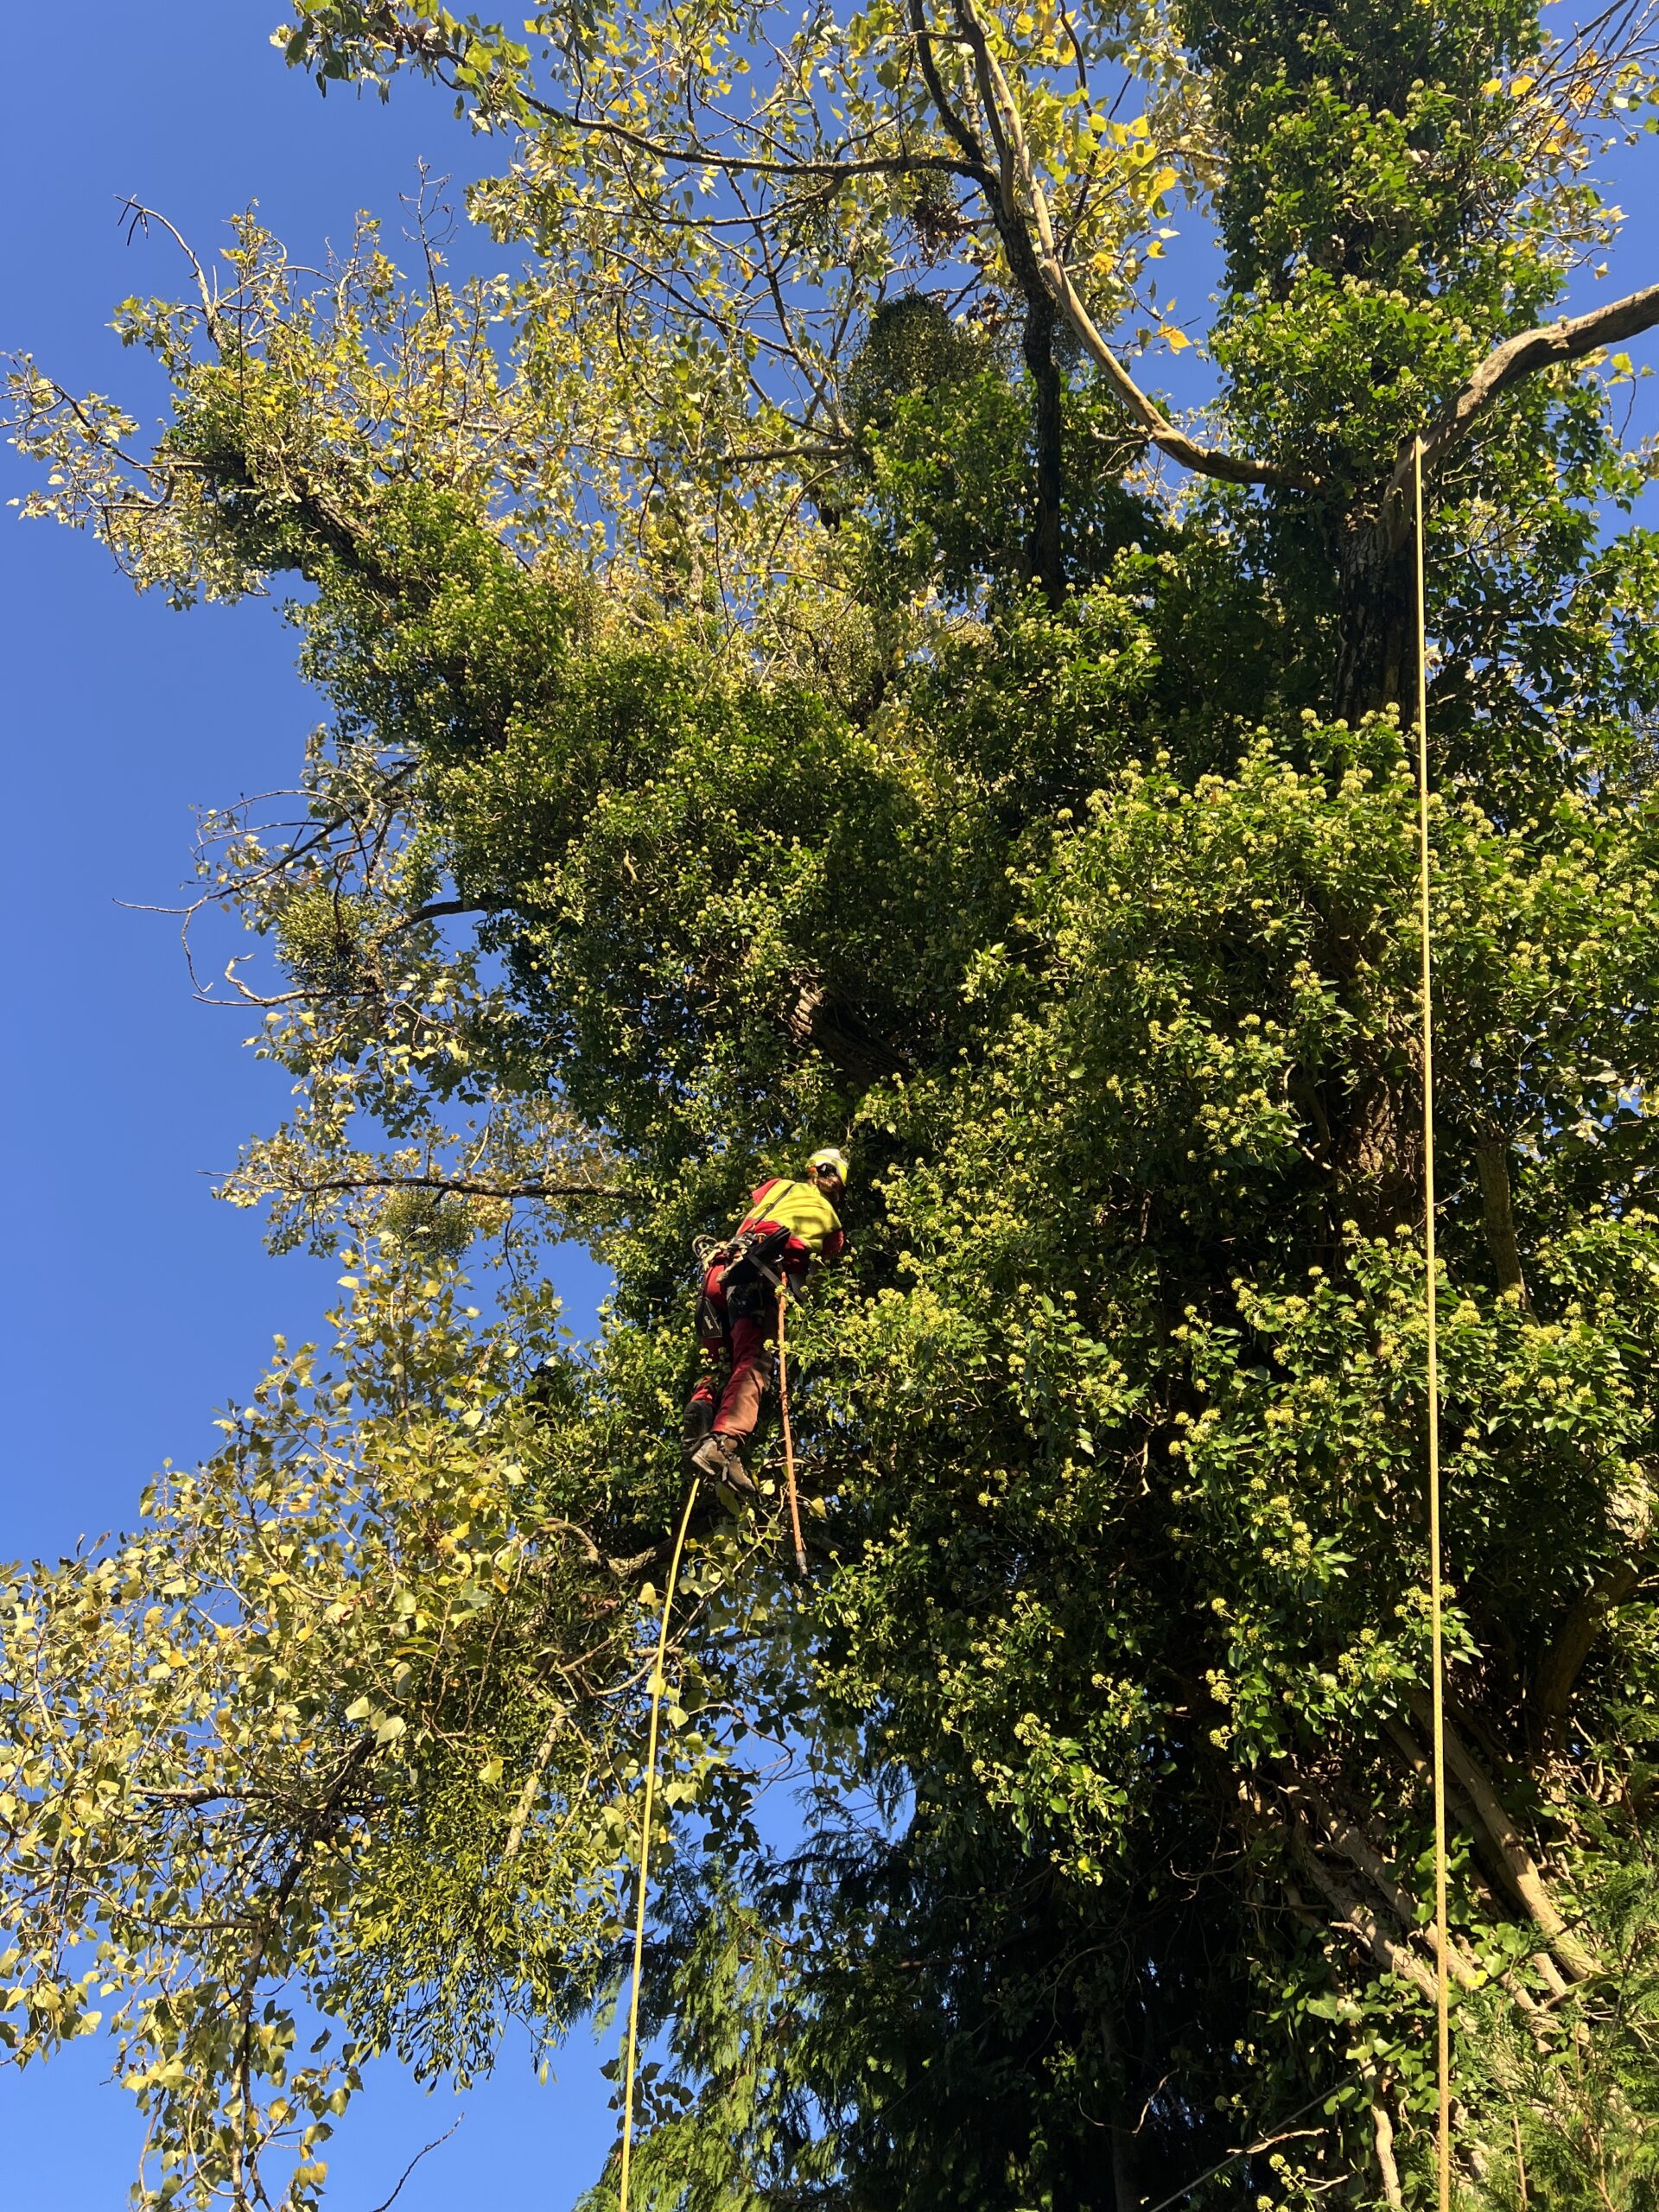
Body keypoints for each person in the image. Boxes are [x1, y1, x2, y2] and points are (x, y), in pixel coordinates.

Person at [684, 1148, 848, 1499]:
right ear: (837, 1188)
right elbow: (823, 1261)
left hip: (719, 1271)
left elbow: (757, 1205)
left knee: (717, 1359)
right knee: (754, 1360)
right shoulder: (833, 1223)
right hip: (756, 1274)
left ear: (811, 1169)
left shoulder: (778, 1186)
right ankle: (723, 1443)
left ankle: (702, 1405)